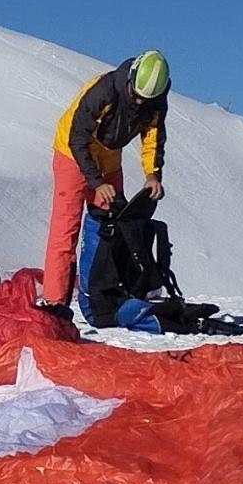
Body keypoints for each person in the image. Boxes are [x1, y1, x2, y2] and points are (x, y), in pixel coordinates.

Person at [38, 51, 170, 317]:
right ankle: (54, 303)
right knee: (65, 230)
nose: (138, 101)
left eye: (146, 99)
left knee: (117, 225)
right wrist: (96, 182)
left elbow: (153, 137)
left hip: (109, 157)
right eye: (135, 95)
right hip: (73, 154)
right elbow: (77, 138)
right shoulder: (103, 90)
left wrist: (152, 174)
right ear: (130, 78)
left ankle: (112, 295)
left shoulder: (155, 102)